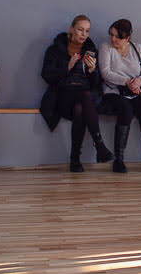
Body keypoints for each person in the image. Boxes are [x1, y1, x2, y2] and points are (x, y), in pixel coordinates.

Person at [40, 15, 113, 172]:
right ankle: (99, 144)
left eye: (87, 31)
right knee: (83, 95)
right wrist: (67, 67)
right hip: (61, 98)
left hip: (83, 100)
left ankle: (75, 160)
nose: (83, 34)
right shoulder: (55, 49)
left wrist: (93, 70)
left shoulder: (91, 51)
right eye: (80, 29)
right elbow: (46, 75)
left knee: (80, 108)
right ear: (72, 29)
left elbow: (96, 83)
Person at [99, 19, 141, 173]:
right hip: (115, 90)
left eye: (117, 37)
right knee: (126, 110)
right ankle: (119, 159)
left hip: (138, 90)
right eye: (111, 35)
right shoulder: (106, 48)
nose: (113, 39)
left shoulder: (138, 49)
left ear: (127, 38)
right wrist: (127, 81)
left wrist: (138, 82)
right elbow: (105, 73)